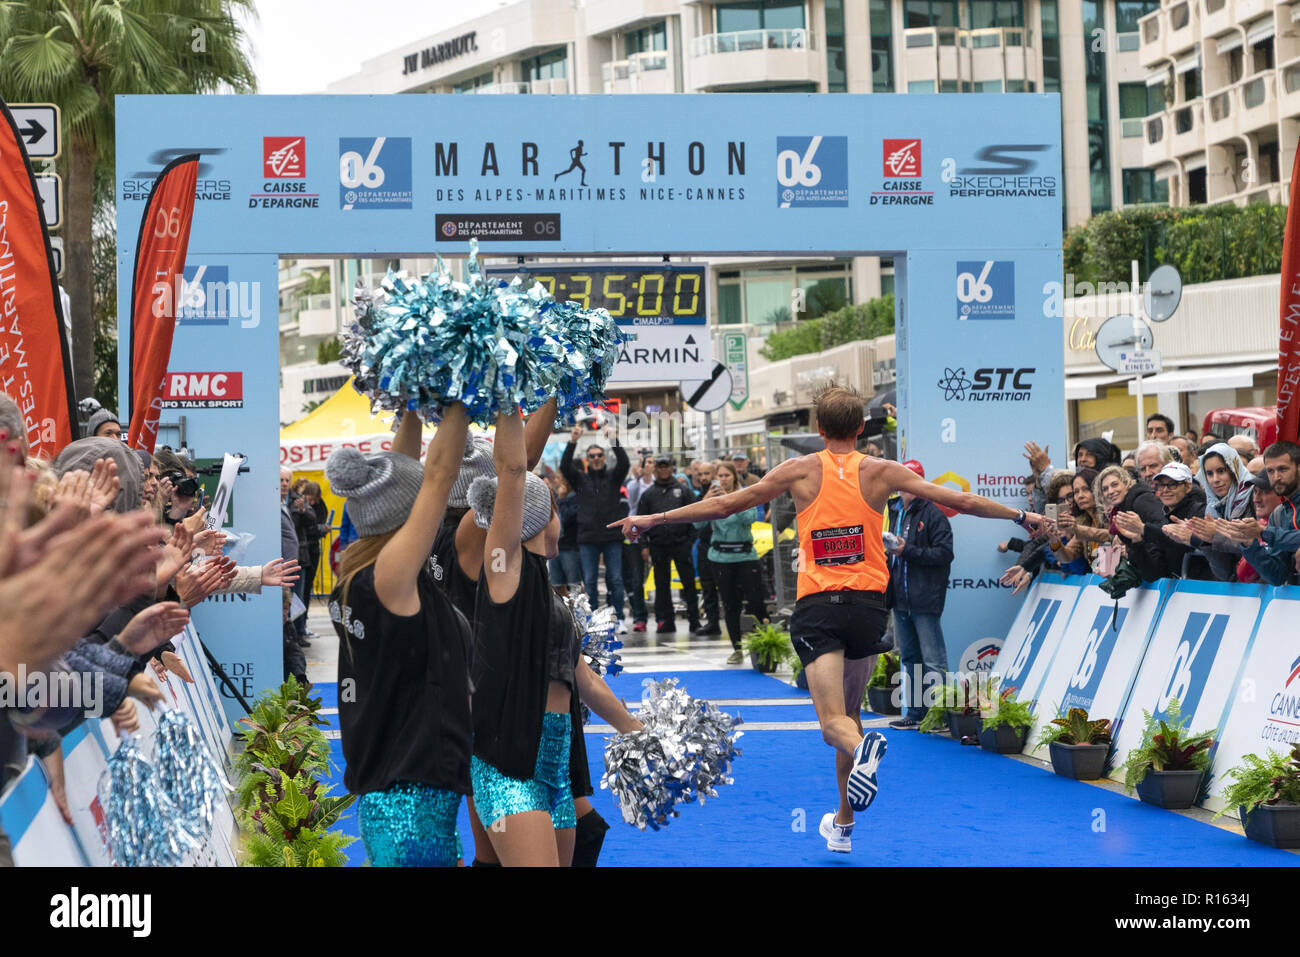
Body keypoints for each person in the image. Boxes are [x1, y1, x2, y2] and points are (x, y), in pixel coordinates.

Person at [608, 387, 1045, 855]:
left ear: (819, 429)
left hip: (819, 607)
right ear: (861, 428)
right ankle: (843, 824)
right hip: (867, 609)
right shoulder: (882, 471)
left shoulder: (799, 470)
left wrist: (655, 518)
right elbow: (960, 500)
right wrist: (1022, 514)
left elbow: (724, 505)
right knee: (850, 718)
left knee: (834, 724)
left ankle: (863, 753)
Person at [325, 403, 472, 867]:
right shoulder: (388, 576)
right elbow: (437, 476)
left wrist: (412, 403)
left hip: (397, 784)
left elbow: (404, 474)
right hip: (411, 794)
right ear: (404, 522)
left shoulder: (364, 570)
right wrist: (464, 391)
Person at [885, 460, 954, 730]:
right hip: (900, 597)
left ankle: (940, 716)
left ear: (921, 483)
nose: (905, 486)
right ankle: (915, 713)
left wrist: (907, 550)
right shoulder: (894, 510)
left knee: (933, 659)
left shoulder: (934, 513)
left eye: (911, 480)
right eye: (902, 480)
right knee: (910, 657)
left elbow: (945, 554)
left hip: (924, 599)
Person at [695, 461, 768, 664]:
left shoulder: (744, 493)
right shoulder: (712, 496)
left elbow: (749, 518)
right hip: (721, 557)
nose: (723, 479)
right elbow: (697, 523)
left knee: (756, 602)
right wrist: (707, 499)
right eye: (720, 476)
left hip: (745, 555)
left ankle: (763, 644)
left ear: (734, 477)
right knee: (730, 604)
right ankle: (737, 648)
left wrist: (729, 500)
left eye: (727, 475)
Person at [560, 425, 629, 628]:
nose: (596, 458)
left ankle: (619, 618)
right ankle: (594, 619)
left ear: (604, 457)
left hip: (611, 536)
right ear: (587, 459)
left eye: (599, 455)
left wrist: (613, 439)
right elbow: (565, 466)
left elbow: (624, 462)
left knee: (615, 579)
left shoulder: (614, 477)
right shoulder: (581, 478)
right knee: (589, 581)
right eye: (592, 456)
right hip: (588, 537)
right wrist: (573, 441)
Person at [1217, 440, 1300, 586]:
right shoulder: (1278, 514)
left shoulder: (1270, 525)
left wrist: (1263, 532)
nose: (1276, 477)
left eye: (1283, 469)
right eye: (1270, 471)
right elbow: (1277, 576)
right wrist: (1249, 543)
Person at [637, 455, 702, 634]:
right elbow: (640, 521)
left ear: (671, 468)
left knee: (688, 584)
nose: (663, 470)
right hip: (658, 545)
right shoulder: (648, 494)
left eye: (666, 466)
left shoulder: (683, 491)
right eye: (660, 467)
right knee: (661, 585)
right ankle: (665, 620)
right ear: (655, 469)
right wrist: (644, 545)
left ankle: (694, 620)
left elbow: (695, 516)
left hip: (681, 543)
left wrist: (689, 541)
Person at [1114, 463, 1206, 581]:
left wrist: (1144, 529)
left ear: (1188, 487)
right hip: (1174, 593)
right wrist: (1136, 542)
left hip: (1203, 590)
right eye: (1161, 485)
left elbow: (1182, 544)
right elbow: (1153, 574)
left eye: (1173, 485)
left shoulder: (1200, 511)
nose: (1165, 490)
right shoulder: (1161, 518)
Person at [687, 460, 721, 635]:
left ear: (714, 473)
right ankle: (712, 622)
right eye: (699, 474)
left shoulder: (721, 491)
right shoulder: (697, 494)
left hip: (721, 545)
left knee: (725, 587)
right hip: (704, 544)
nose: (703, 477)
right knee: (707, 587)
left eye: (706, 473)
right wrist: (704, 499)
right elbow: (694, 518)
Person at [548, 474, 583, 596]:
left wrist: (562, 499)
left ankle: (577, 613)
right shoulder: (557, 498)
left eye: (560, 479)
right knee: (557, 585)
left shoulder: (575, 499)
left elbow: (568, 517)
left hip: (570, 548)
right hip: (555, 548)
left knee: (574, 585)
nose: (556, 481)